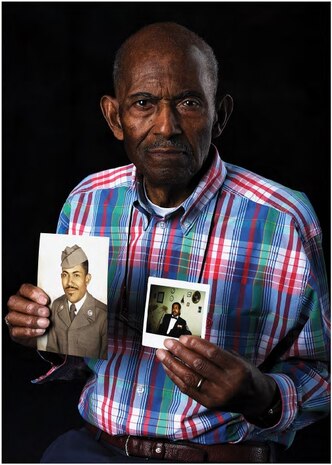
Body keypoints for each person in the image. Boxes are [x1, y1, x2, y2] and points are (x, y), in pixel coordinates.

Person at [5, 22, 329, 463]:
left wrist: (263, 395)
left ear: (221, 115)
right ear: (115, 117)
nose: (166, 126)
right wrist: (45, 332)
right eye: (143, 103)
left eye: (189, 103)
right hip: (94, 449)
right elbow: (75, 354)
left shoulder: (284, 219)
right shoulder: (87, 203)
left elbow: (324, 373)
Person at [45, 244, 108, 359]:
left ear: (87, 279)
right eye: (65, 275)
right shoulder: (56, 305)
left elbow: (104, 362)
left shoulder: (103, 314)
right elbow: (51, 351)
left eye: (76, 275)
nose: (69, 282)